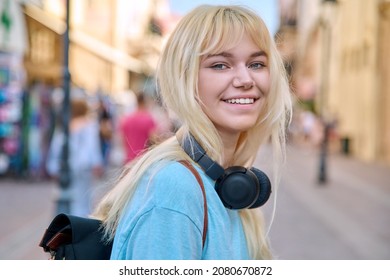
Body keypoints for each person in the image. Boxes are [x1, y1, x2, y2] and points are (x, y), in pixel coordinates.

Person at [93, 5, 292, 260]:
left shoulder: (230, 186)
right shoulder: (175, 190)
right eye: (220, 65)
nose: (245, 79)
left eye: (256, 64)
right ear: (185, 78)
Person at [46, 98, 104, 217]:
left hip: (66, 167)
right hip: (84, 166)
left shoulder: (65, 125)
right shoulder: (89, 125)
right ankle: (79, 222)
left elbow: (56, 146)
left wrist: (52, 166)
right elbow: (92, 146)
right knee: (83, 199)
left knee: (66, 197)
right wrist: (97, 163)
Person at [119, 92, 157, 163]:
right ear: (144, 102)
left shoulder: (127, 119)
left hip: (129, 160)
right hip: (143, 161)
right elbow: (154, 140)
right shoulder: (148, 119)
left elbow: (122, 140)